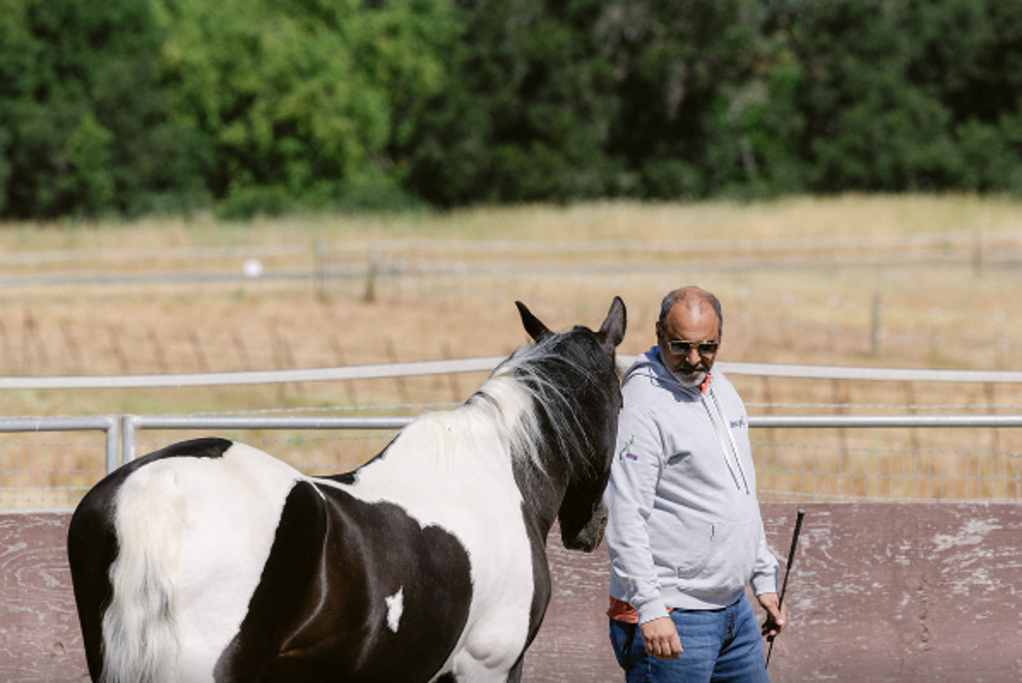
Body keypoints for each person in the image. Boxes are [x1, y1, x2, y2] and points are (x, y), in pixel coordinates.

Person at [603, 286, 785, 682]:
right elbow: (623, 515)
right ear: (657, 334)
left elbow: (739, 493)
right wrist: (650, 608)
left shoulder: (723, 390)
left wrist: (762, 576)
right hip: (674, 615)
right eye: (680, 345)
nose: (693, 359)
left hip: (734, 611)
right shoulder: (641, 407)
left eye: (707, 347)